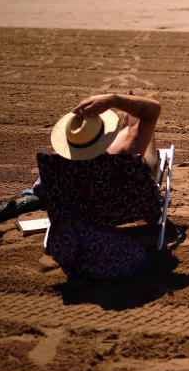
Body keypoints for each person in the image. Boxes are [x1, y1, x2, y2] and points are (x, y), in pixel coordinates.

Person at [39, 92, 162, 280]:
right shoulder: (121, 157)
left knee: (130, 148)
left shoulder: (58, 165)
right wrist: (115, 100)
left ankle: (131, 126)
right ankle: (133, 126)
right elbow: (153, 109)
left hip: (81, 212)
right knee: (141, 156)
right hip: (123, 205)